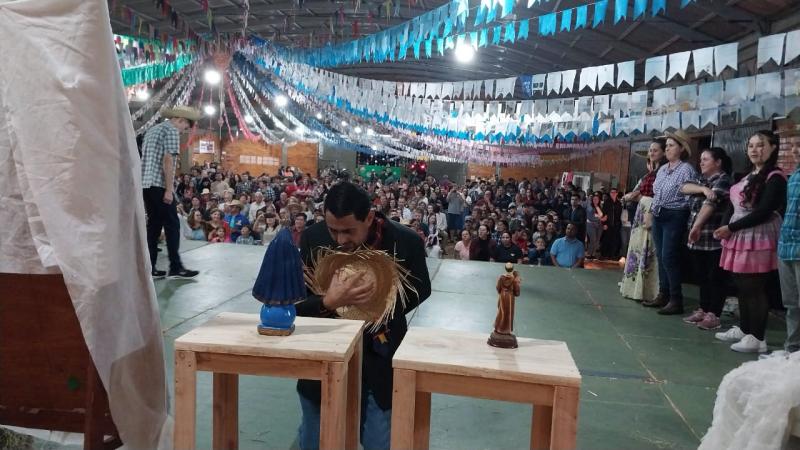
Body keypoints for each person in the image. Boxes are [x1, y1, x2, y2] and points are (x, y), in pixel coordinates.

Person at [296, 182, 431, 450]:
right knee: (316, 437)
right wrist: (329, 302)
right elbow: (297, 303)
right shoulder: (313, 238)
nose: (340, 239)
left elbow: (421, 288)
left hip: (380, 353)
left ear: (369, 217)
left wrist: (380, 307)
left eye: (348, 231)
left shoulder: (406, 242)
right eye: (333, 230)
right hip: (325, 350)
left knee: (379, 440)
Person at [714, 131, 787, 353]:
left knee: (754, 286)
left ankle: (757, 337)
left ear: (773, 147)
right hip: (739, 233)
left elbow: (764, 211)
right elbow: (731, 205)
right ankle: (745, 329)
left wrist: (731, 227)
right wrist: (726, 226)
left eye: (760, 145)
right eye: (751, 146)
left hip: (758, 235)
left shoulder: (775, 176)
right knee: (741, 284)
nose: (755, 150)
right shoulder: (748, 175)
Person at [140, 106, 200, 279]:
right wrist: (168, 189)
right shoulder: (172, 131)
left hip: (146, 184)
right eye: (185, 127)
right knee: (172, 224)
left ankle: (149, 267)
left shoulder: (152, 130)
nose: (183, 131)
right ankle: (175, 266)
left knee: (154, 226)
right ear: (180, 119)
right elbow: (168, 160)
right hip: (159, 184)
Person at [643, 130, 697, 315]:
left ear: (681, 149)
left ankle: (676, 298)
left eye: (671, 145)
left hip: (675, 214)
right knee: (661, 255)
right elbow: (657, 194)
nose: (667, 149)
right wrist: (650, 213)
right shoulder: (663, 170)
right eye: (666, 146)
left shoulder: (686, 169)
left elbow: (689, 193)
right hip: (659, 214)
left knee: (669, 256)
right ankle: (663, 294)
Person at [680, 148, 733, 330]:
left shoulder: (723, 180)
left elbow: (710, 204)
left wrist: (696, 226)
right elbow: (683, 188)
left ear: (718, 162)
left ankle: (714, 314)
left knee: (715, 277)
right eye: (700, 159)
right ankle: (703, 308)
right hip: (698, 240)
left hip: (714, 238)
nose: (701, 163)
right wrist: (703, 189)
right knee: (702, 277)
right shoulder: (702, 180)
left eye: (706, 159)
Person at [620, 139, 666, 302]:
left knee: (649, 248)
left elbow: (658, 195)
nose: (651, 153)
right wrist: (634, 196)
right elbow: (639, 192)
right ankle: (635, 285)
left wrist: (639, 198)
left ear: (664, 152)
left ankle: (648, 290)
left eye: (655, 150)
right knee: (638, 248)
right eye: (650, 150)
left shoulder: (664, 172)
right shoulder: (649, 174)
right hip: (642, 209)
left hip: (651, 210)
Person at [777, 127, 800, 356]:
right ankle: (792, 350)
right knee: (792, 305)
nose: (797, 150)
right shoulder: (793, 177)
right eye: (796, 145)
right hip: (786, 247)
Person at [600, 188, 623, 259]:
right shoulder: (607, 202)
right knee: (606, 239)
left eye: (614, 192)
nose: (613, 194)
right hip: (608, 224)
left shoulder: (619, 203)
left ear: (617, 193)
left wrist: (619, 223)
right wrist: (604, 223)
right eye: (611, 192)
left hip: (616, 224)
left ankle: (613, 254)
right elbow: (603, 214)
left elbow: (619, 214)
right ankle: (604, 254)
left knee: (615, 240)